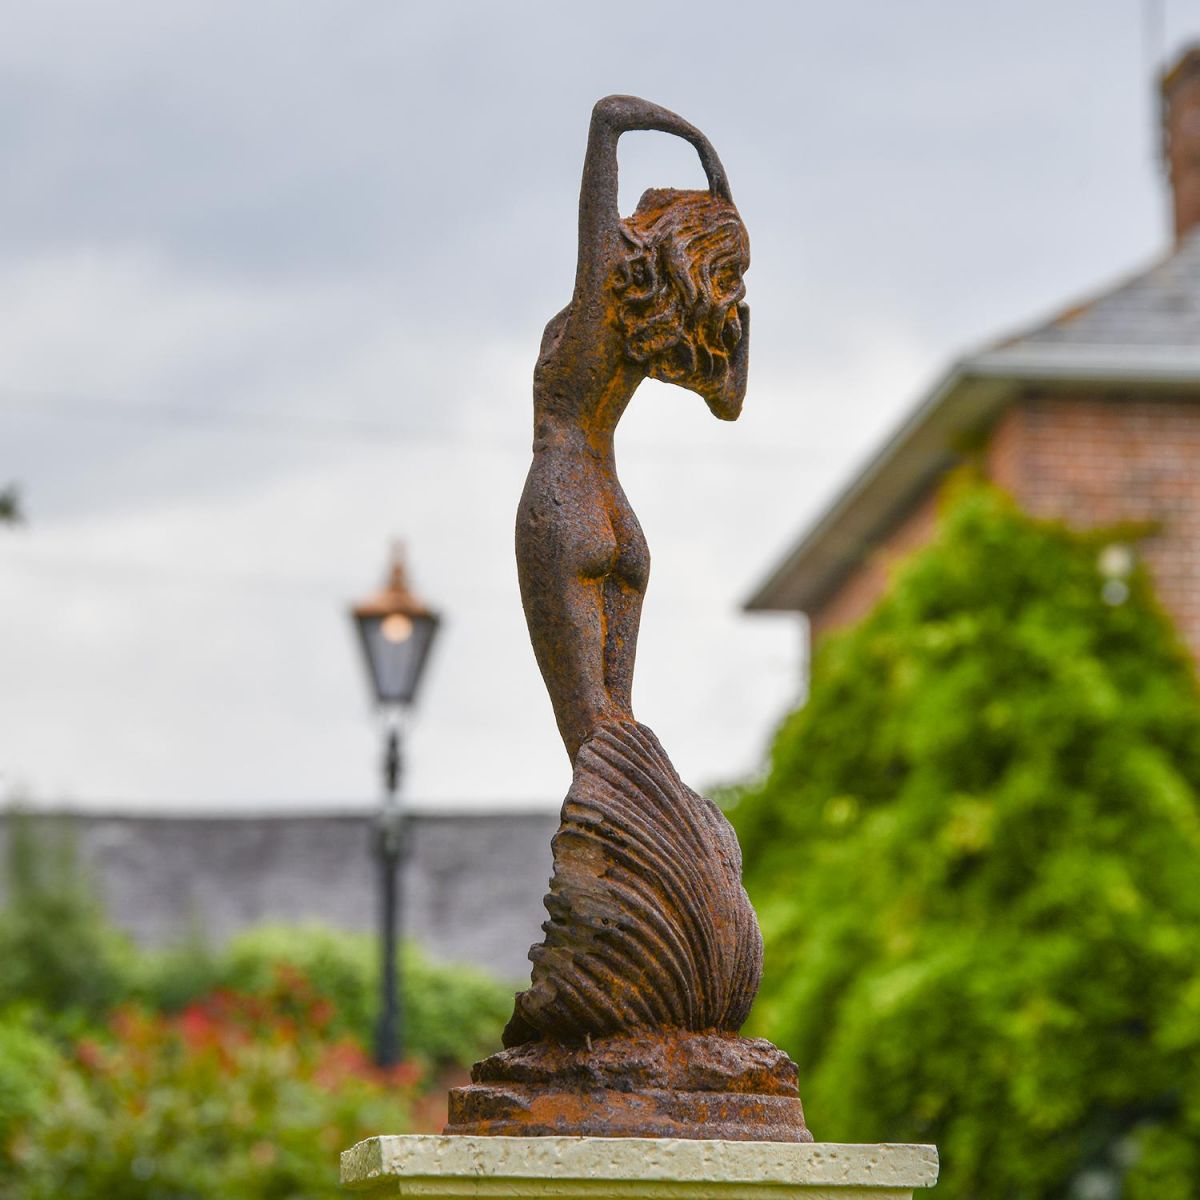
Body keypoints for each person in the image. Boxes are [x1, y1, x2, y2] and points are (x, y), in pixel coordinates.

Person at [515, 95, 750, 763]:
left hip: (564, 500)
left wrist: (700, 146)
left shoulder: (603, 304)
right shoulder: (660, 325)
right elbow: (731, 400)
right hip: (619, 513)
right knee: (621, 732)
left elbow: (609, 116)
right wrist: (727, 220)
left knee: (594, 750)